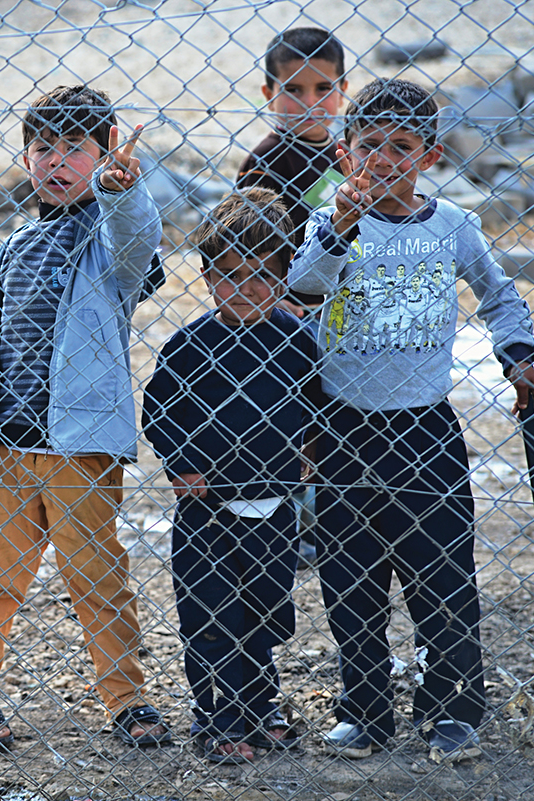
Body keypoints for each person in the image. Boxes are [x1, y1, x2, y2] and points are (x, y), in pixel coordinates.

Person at [288, 77, 534, 762]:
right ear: (345, 153)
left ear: (428, 155)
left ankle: (451, 707)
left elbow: (499, 294)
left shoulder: (452, 226)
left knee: (442, 578)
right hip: (344, 430)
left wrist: (517, 357)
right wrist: (340, 227)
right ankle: (365, 709)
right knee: (352, 580)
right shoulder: (332, 222)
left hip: (426, 432)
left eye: (400, 147)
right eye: (368, 145)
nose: (382, 160)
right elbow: (303, 284)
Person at [0, 84, 171, 752]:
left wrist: (122, 190)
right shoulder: (14, 247)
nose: (57, 160)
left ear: (104, 154)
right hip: (12, 449)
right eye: (44, 145)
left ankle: (127, 698)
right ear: (25, 158)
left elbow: (139, 239)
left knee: (98, 578)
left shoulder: (107, 248)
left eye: (76, 147)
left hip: (80, 449)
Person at [142, 188, 320, 763]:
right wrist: (182, 463)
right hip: (208, 509)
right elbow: (160, 409)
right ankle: (217, 719)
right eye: (229, 276)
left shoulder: (295, 341)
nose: (244, 289)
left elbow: (319, 405)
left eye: (261, 276)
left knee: (266, 612)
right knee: (211, 615)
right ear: (206, 274)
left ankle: (259, 703)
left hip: (273, 506)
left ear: (286, 270)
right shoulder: (191, 345)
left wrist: (310, 452)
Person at [236, 26, 349, 569]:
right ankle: (296, 528)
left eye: (323, 89)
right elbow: (250, 243)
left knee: (335, 417)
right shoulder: (265, 163)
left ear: (344, 89)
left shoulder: (348, 155)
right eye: (294, 90)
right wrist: (277, 301)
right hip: (289, 315)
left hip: (342, 312)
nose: (310, 103)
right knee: (292, 421)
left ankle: (331, 519)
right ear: (267, 93)